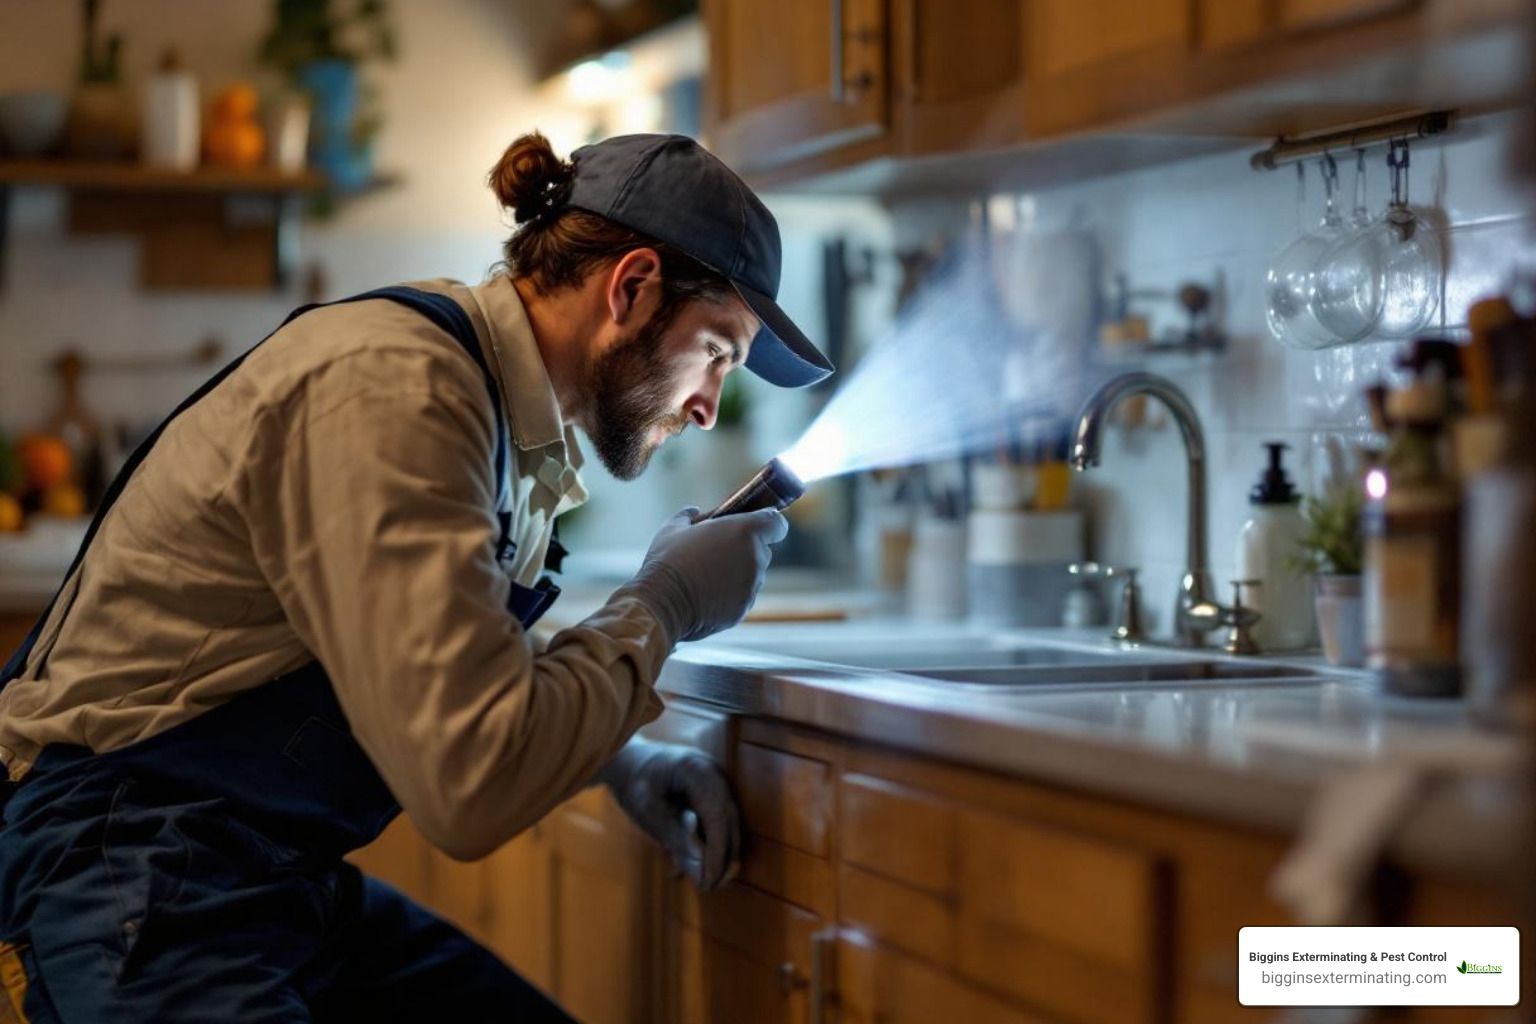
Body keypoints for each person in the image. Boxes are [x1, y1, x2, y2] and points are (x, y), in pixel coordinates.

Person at [0, 132, 834, 1023]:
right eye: (717, 351)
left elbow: (442, 653)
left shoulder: (490, 411)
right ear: (630, 288)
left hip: (255, 871)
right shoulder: (399, 390)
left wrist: (616, 759)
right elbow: (468, 785)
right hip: (129, 861)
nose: (709, 405)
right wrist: (662, 605)